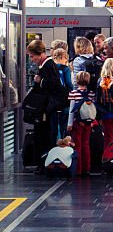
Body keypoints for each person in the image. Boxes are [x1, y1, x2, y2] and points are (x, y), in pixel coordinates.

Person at [25, 39, 68, 171]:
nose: (32, 59)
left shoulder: (48, 65)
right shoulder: (46, 64)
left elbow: (55, 85)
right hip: (47, 107)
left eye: (32, 56)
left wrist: (41, 81)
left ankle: (44, 162)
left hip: (48, 107)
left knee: (46, 134)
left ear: (40, 53)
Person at [67, 71, 97, 176]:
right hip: (88, 123)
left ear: (77, 80)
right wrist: (93, 121)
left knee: (78, 145)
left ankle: (78, 169)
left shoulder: (73, 93)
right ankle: (87, 168)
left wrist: (69, 124)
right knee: (86, 144)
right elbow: (92, 109)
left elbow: (72, 110)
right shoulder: (91, 94)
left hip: (77, 123)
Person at [51, 47, 73, 139]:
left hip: (53, 101)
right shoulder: (65, 69)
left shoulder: (50, 67)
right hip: (64, 101)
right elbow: (68, 83)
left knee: (54, 125)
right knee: (64, 123)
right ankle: (63, 142)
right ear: (63, 57)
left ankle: (54, 143)